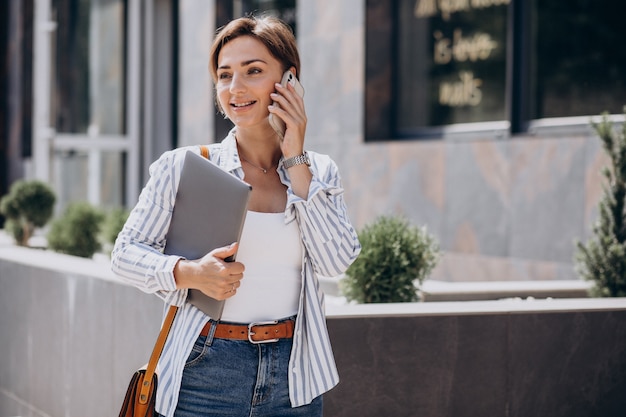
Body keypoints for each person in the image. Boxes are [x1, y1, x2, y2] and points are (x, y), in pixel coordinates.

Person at [111, 15, 361, 417]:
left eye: (254, 71)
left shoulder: (318, 171)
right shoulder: (186, 166)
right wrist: (190, 273)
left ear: (290, 80)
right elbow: (124, 254)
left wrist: (296, 158)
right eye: (224, 75)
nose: (236, 88)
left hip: (294, 374)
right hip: (204, 369)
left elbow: (336, 262)